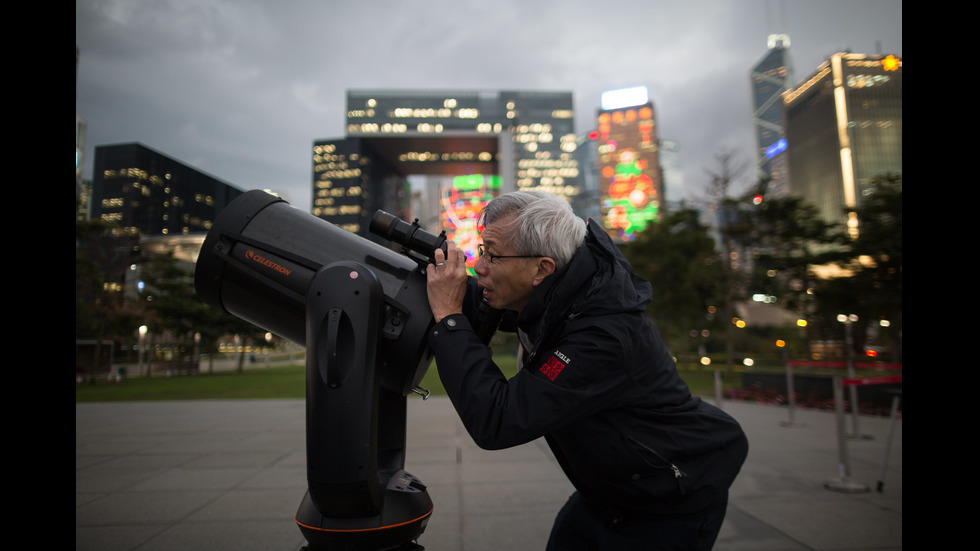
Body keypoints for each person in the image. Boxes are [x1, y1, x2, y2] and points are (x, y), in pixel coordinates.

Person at [425, 190, 749, 551]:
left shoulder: (601, 335)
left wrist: (449, 319)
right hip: (608, 493)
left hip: (668, 502)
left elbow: (499, 419)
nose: (479, 266)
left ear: (542, 269)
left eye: (492, 255)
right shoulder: (562, 292)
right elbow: (480, 299)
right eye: (481, 250)